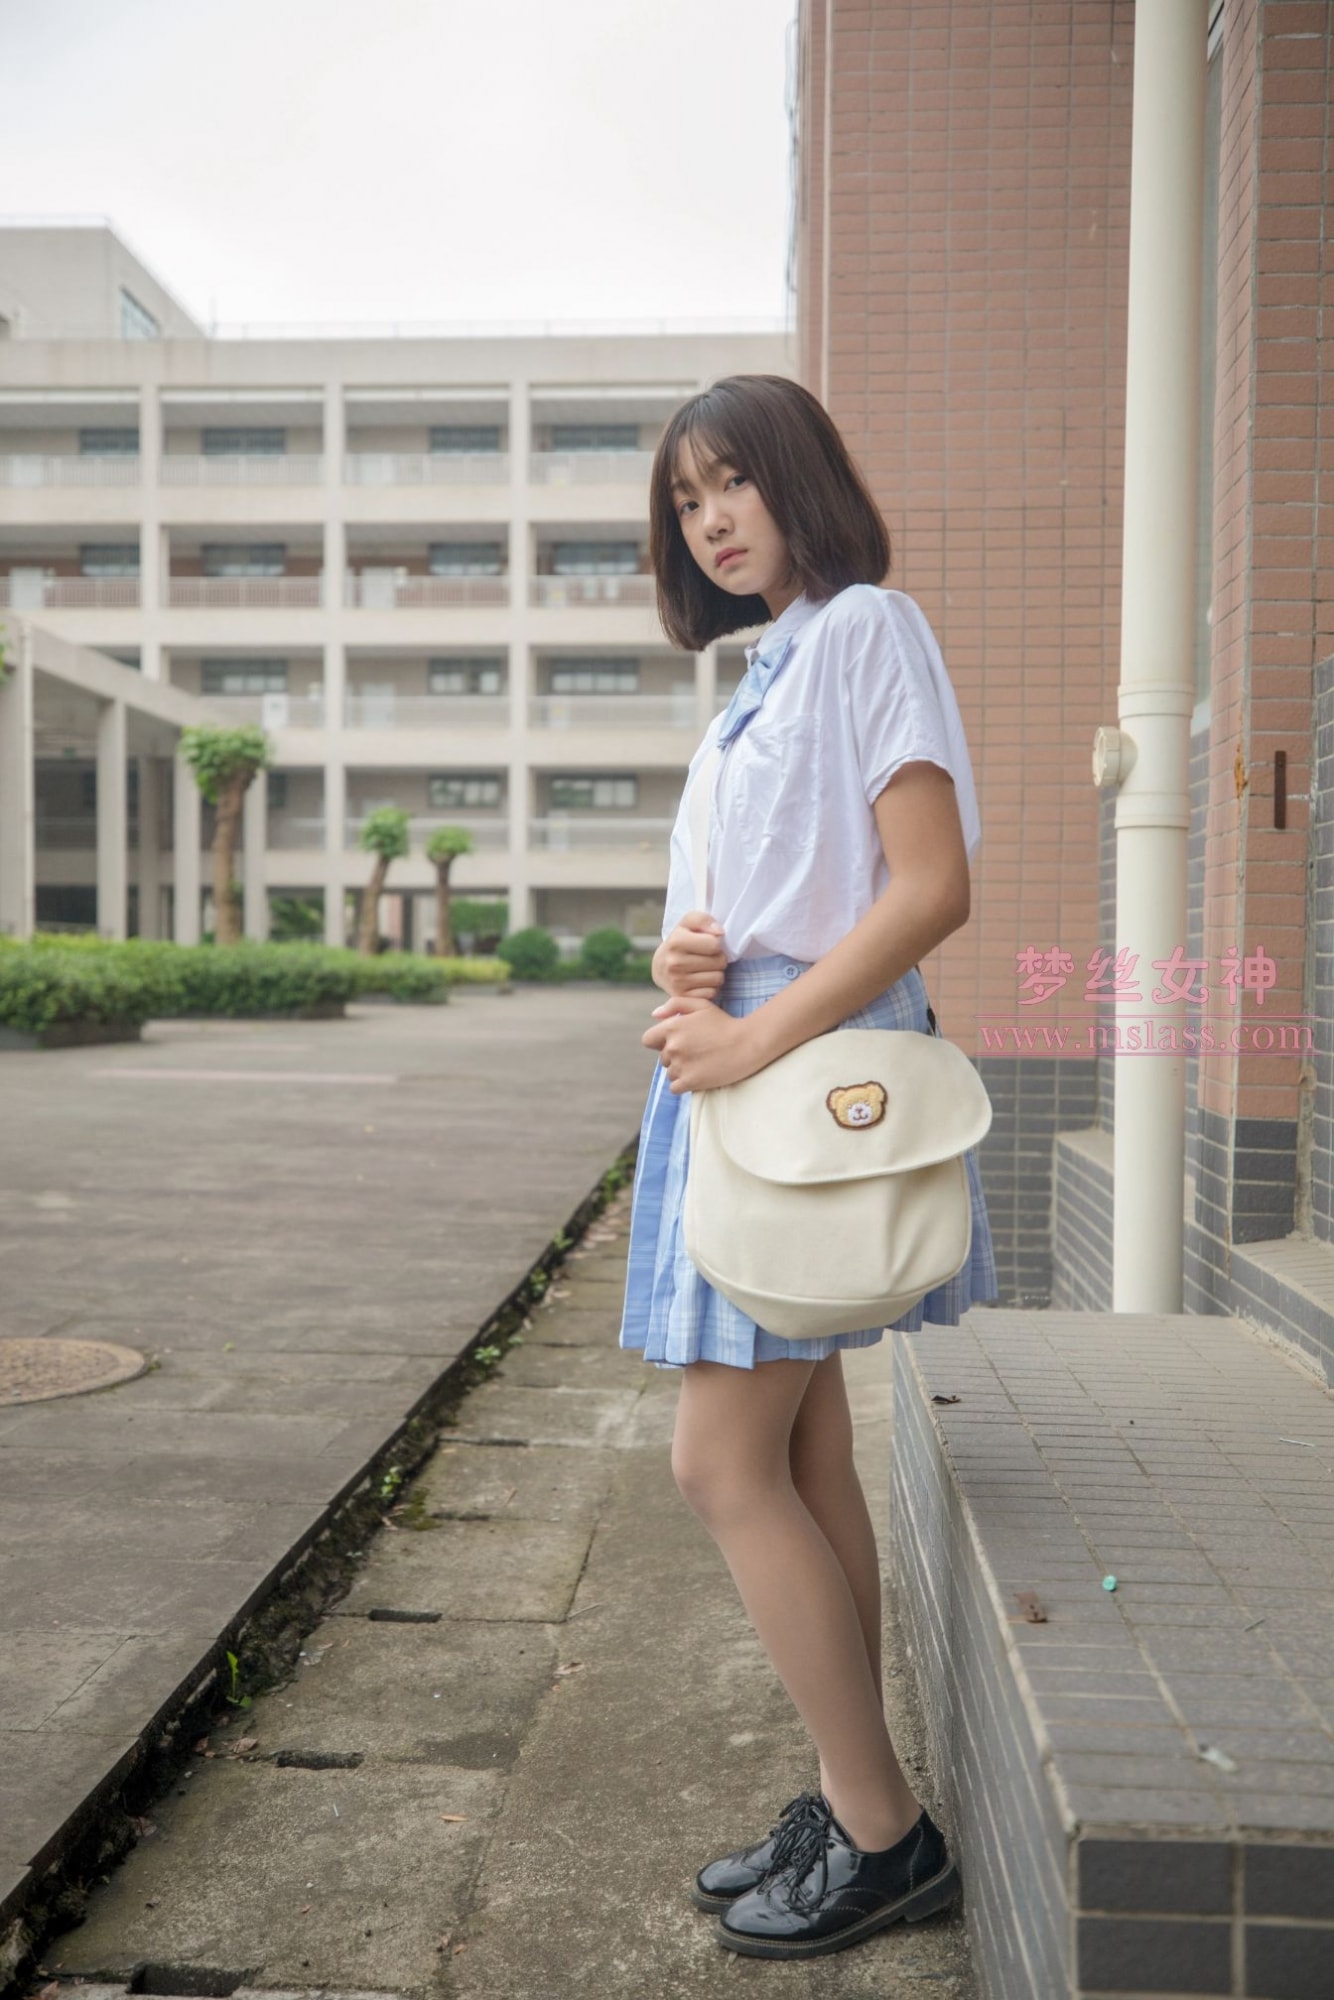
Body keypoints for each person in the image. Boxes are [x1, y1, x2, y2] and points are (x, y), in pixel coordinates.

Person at [616, 373, 998, 1961]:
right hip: (743, 1063)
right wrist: (685, 955)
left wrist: (746, 1038)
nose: (710, 519)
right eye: (684, 499)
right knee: (805, 1457)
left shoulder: (863, 630)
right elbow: (776, 888)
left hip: (789, 1073)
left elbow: (927, 890)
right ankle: (853, 1797)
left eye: (732, 482)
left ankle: (885, 1834)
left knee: (719, 1467)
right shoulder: (760, 672)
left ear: (797, 480)